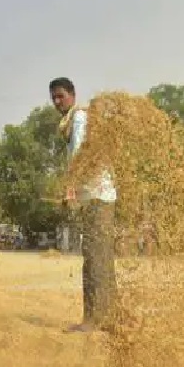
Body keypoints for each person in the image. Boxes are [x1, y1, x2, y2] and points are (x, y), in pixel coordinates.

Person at [49, 77, 118, 333]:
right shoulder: (75, 120)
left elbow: (78, 154)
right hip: (96, 196)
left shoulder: (78, 118)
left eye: (61, 96)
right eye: (54, 98)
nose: (58, 102)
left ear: (73, 95)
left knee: (94, 261)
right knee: (101, 259)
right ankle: (112, 316)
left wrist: (70, 189)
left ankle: (93, 319)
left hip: (97, 196)